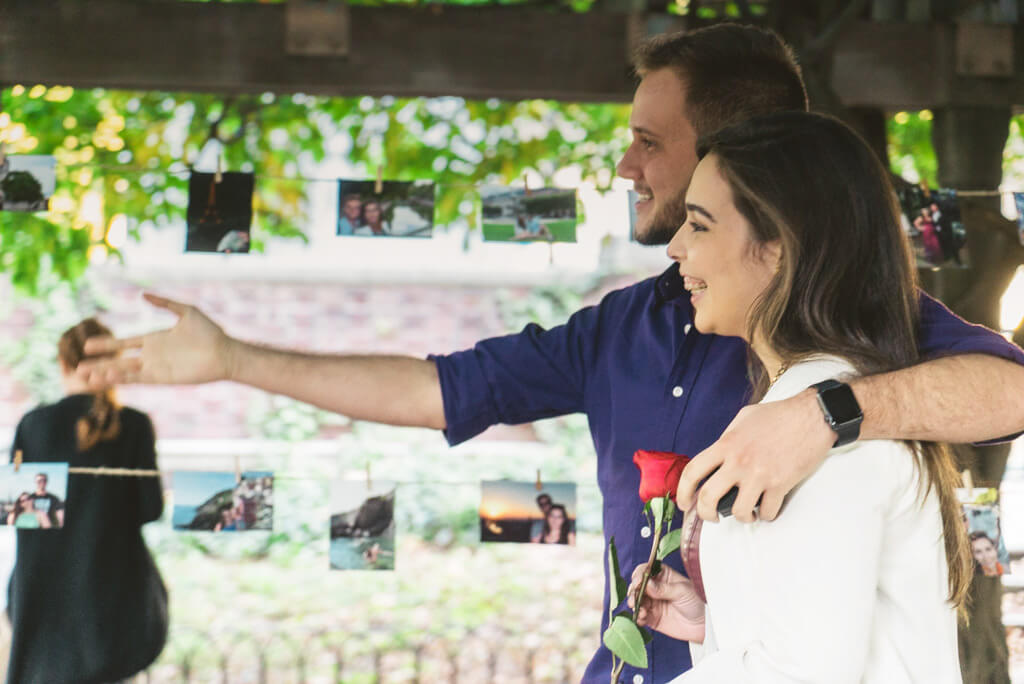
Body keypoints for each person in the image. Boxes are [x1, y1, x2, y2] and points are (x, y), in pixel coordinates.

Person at [75, 24, 1024, 683]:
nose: (624, 167)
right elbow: (440, 388)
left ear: (743, 159)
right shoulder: (618, 325)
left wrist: (829, 417)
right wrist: (234, 357)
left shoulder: (846, 325)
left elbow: (1011, 393)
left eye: (650, 143)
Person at [625, 111, 971, 681]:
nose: (675, 248)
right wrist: (715, 624)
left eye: (701, 225)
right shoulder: (810, 409)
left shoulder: (822, 433)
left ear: (780, 247)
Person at [6, 318, 168, 684]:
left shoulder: (34, 425)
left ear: (63, 364)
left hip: (46, 606)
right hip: (116, 606)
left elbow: (19, 518)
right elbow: (151, 508)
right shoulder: (135, 425)